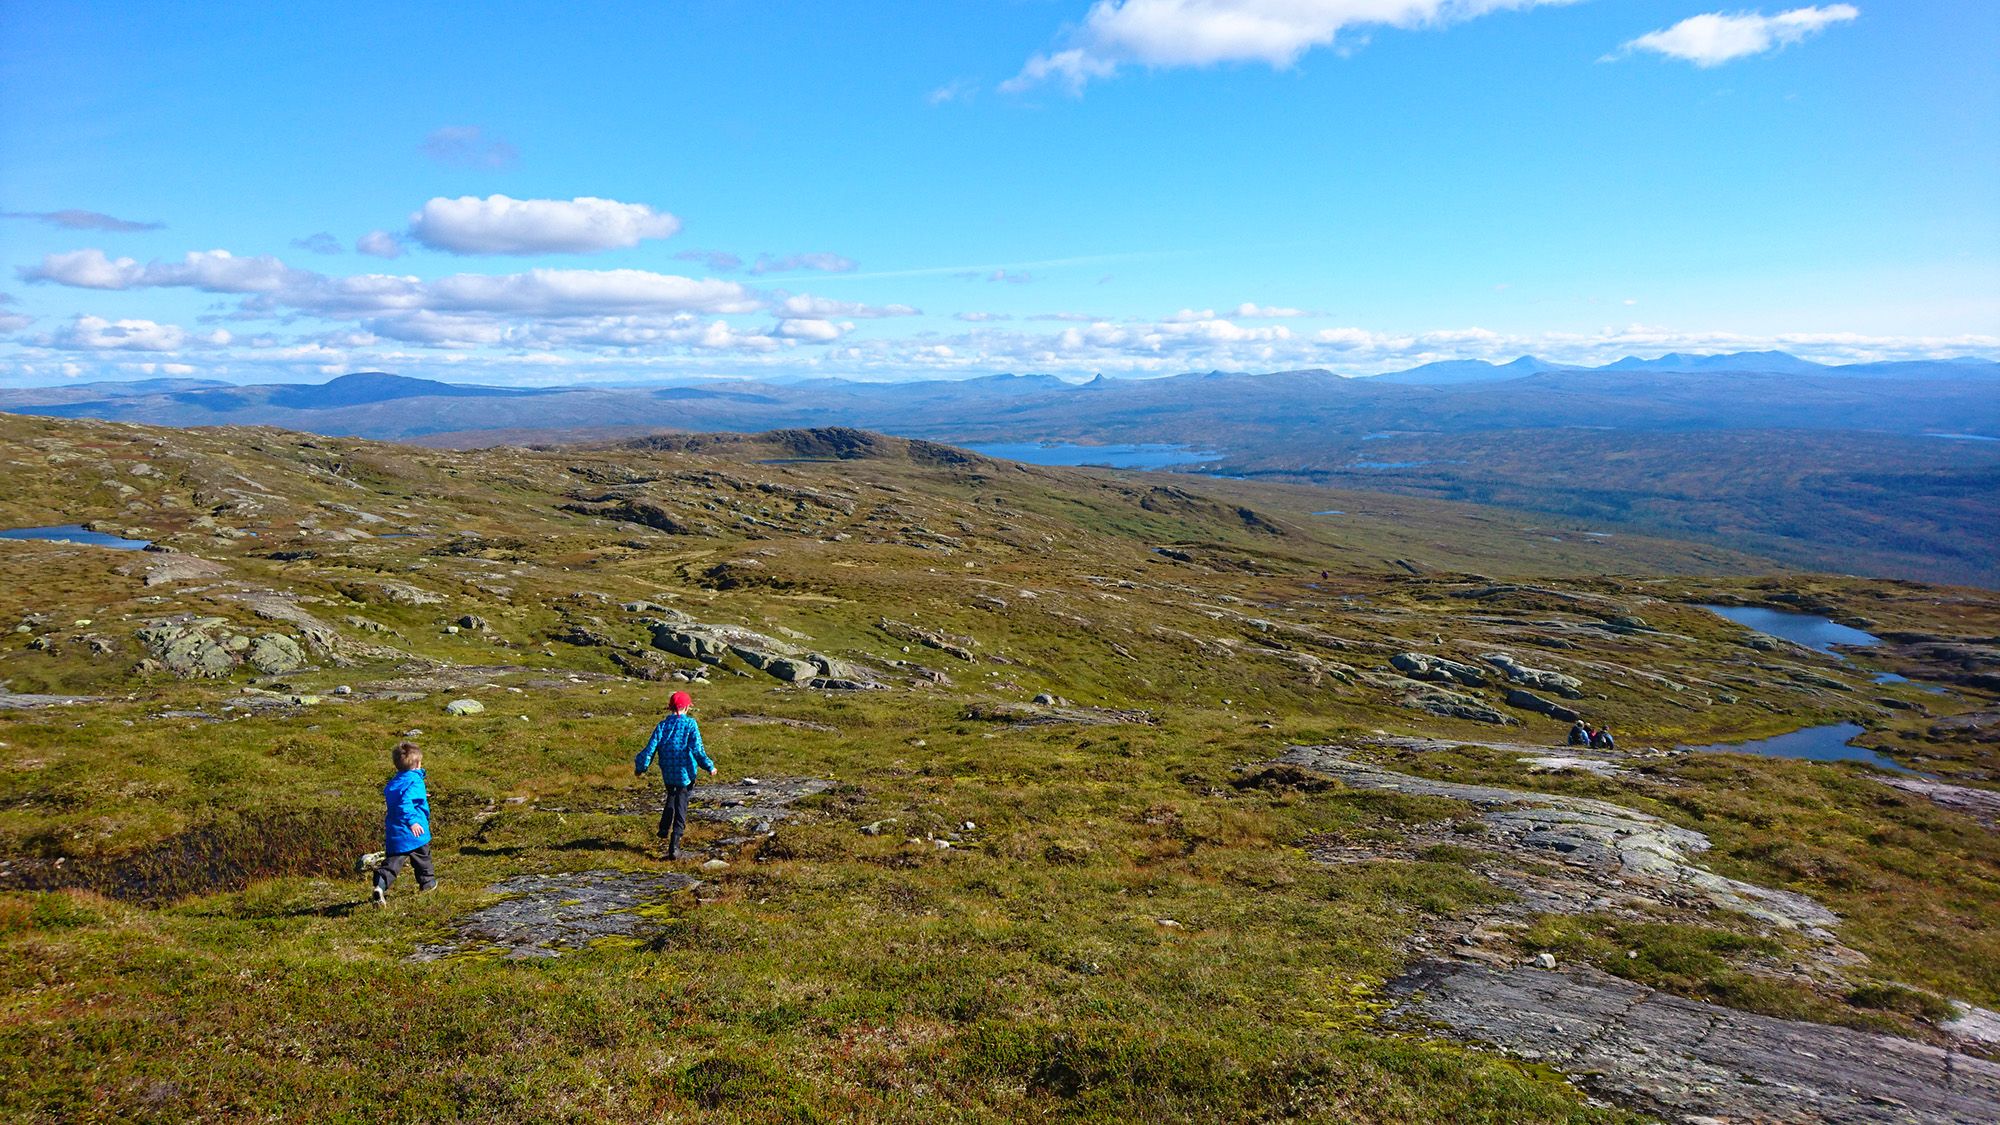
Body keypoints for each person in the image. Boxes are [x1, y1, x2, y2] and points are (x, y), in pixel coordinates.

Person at [635, 690, 715, 860]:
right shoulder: (690, 724)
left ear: (670, 707)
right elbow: (697, 749)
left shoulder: (662, 726)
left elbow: (650, 749)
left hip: (668, 772)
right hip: (685, 772)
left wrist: (641, 767)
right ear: (687, 707)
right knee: (681, 804)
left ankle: (664, 828)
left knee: (671, 795)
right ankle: (675, 845)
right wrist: (709, 766)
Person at [372, 740, 436, 906]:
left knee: (392, 863)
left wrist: (420, 796)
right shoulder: (415, 780)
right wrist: (412, 822)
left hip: (395, 831)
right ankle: (428, 885)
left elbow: (400, 797)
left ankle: (380, 885)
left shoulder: (395, 782)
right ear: (417, 764)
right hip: (414, 831)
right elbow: (405, 802)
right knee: (423, 858)